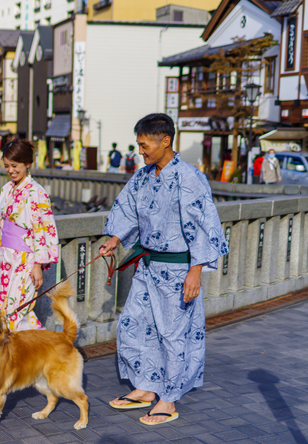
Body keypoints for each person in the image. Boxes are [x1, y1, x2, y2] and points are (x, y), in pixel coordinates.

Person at [99, 113, 228, 425]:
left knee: (172, 334)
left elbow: (201, 226)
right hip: (147, 266)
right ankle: (145, 387)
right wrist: (115, 238)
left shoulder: (189, 178)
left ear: (165, 141)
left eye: (144, 145)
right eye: (139, 145)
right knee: (132, 325)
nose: (140, 151)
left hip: (178, 269)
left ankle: (168, 398)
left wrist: (195, 271)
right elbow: (129, 210)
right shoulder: (143, 177)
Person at [0, 139, 60, 331]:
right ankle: (40, 352)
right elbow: (1, 225)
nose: (10, 170)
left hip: (26, 259)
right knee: (6, 309)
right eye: (7, 166)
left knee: (15, 312)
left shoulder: (36, 192)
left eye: (15, 166)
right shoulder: (6, 189)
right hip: (7, 256)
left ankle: (39, 352)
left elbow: (42, 229)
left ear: (28, 164)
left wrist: (38, 264)